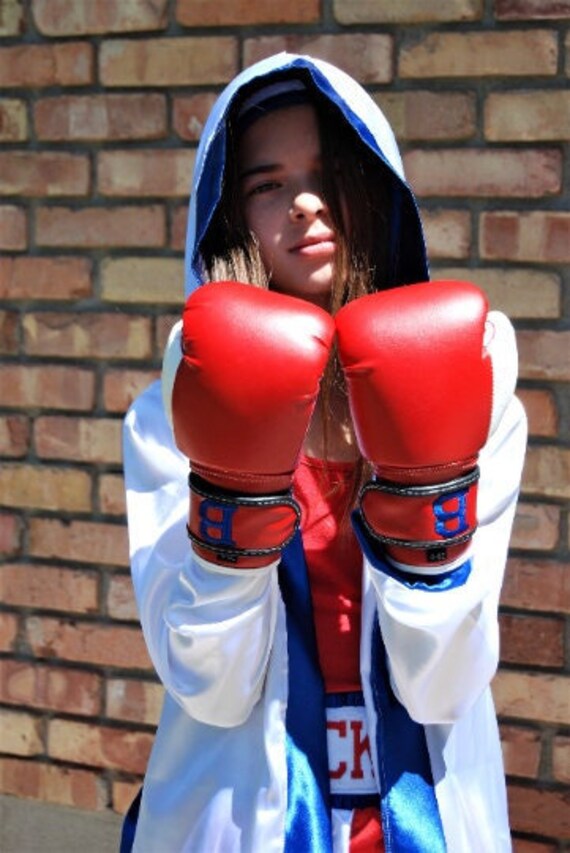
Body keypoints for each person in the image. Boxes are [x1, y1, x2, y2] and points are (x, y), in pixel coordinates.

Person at [121, 53, 527, 852]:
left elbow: (446, 682)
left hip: (422, 813)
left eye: (328, 172)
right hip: (250, 809)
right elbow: (211, 683)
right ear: (232, 217)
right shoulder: (170, 414)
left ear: (375, 187)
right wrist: (231, 500)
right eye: (266, 185)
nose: (305, 203)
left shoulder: (475, 375)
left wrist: (428, 496)